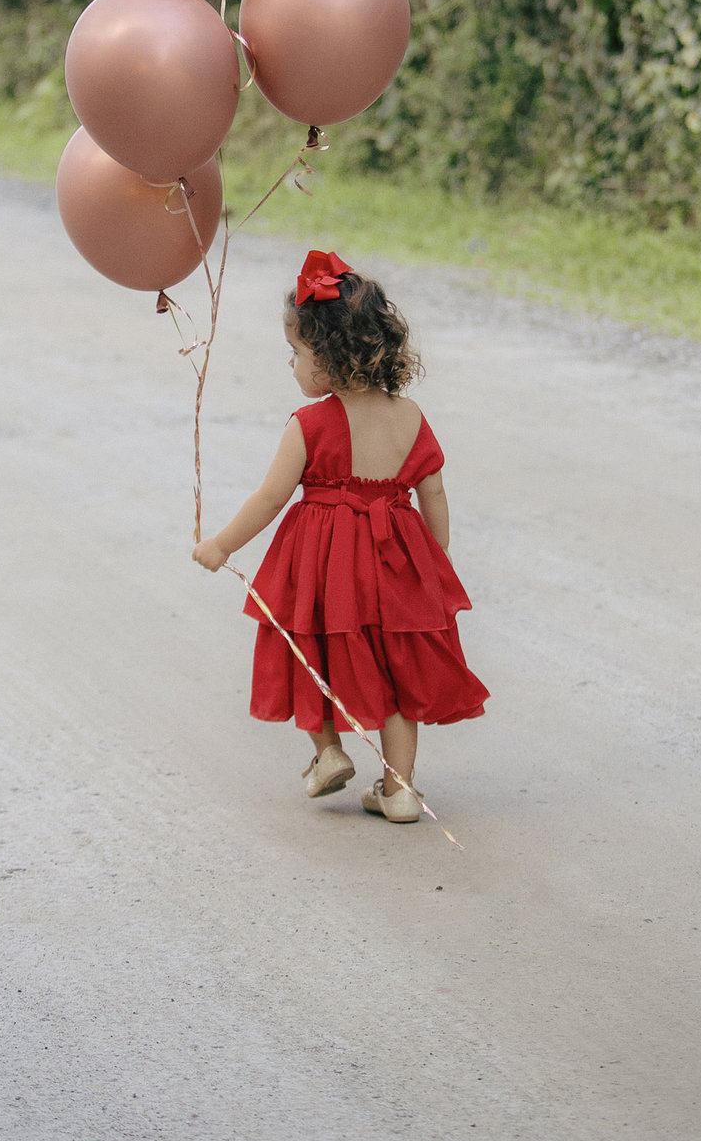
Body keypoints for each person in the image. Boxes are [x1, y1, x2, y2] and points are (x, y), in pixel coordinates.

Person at [192, 249, 488, 824]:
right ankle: (400, 789)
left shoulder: (309, 425)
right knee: (397, 666)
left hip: (325, 566)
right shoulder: (411, 417)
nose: (293, 365)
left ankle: (328, 752)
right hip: (395, 561)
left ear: (328, 359)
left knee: (312, 650)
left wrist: (222, 544)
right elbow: (435, 495)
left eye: (297, 353)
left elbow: (270, 499)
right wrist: (435, 558)